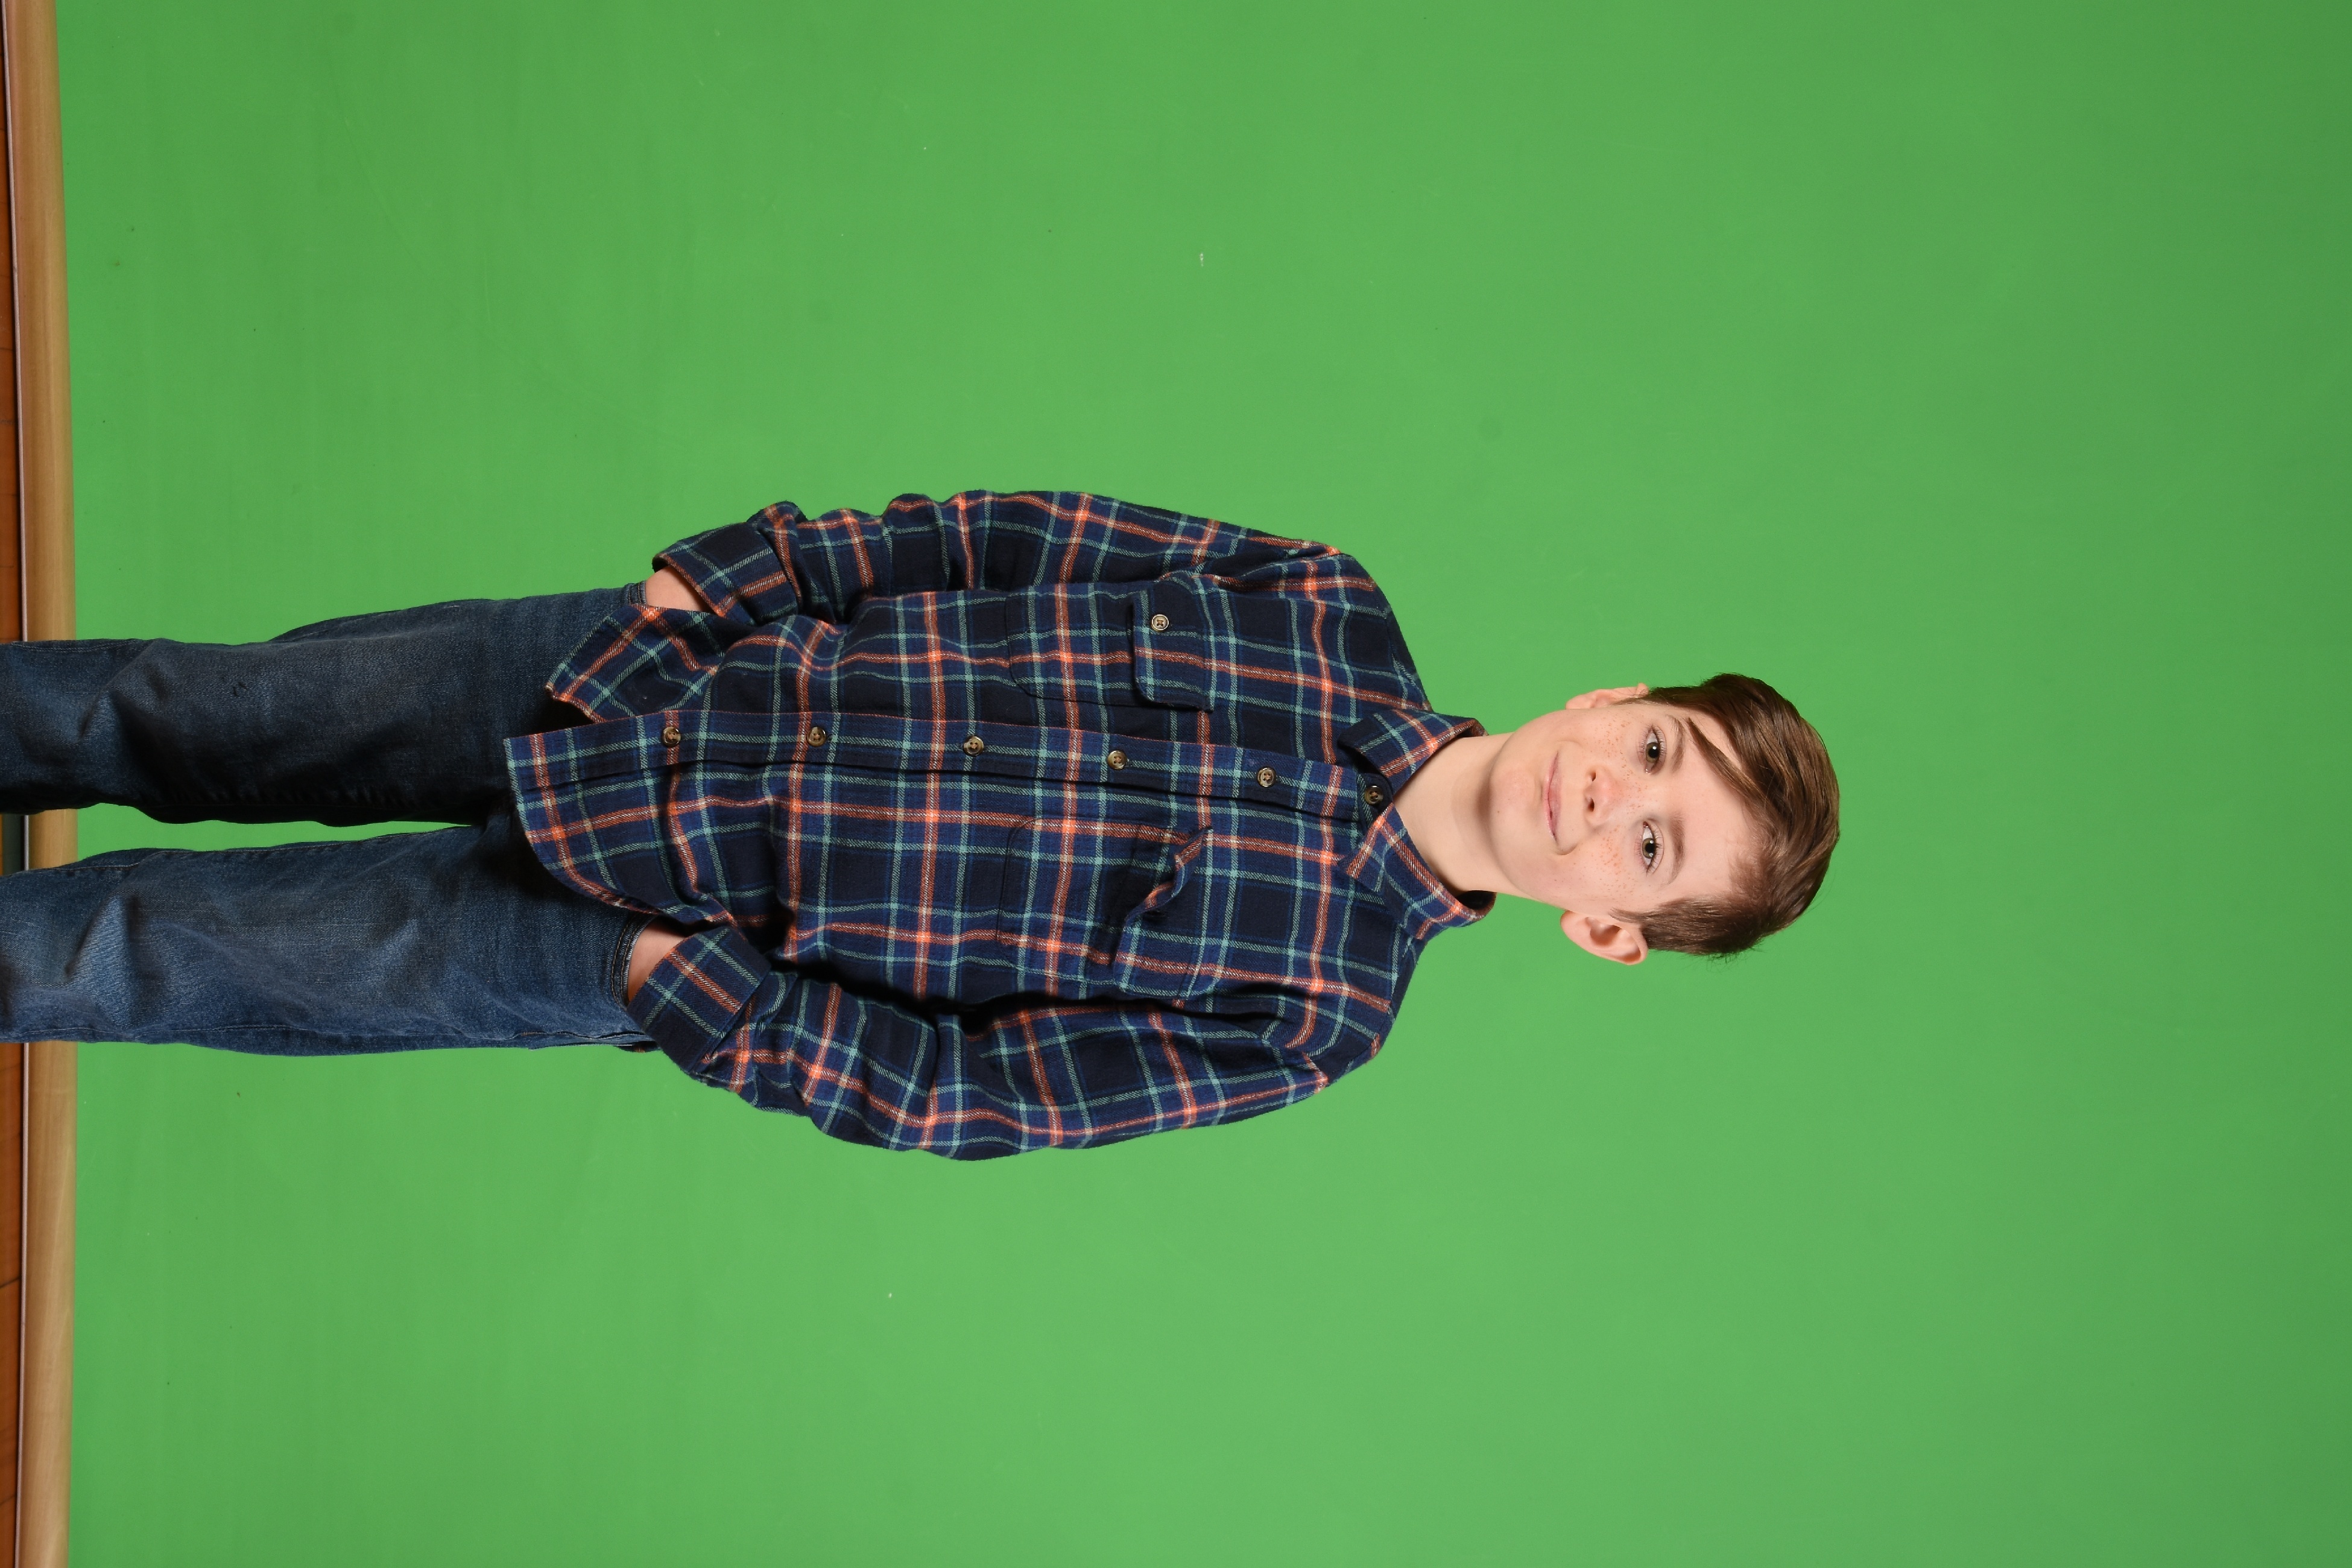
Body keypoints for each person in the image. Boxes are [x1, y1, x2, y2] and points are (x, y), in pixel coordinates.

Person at [0, 491, 1838, 1157]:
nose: (1615, 798)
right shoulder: (1318, 601)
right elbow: (999, 536)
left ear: (1608, 929)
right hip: (637, 675)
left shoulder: (1313, 1016)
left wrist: (680, 990)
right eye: (1656, 752)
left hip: (639, 931)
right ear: (1614, 696)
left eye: (1652, 850)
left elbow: (976, 1095)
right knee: (173, 707)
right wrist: (734, 579)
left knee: (139, 949)